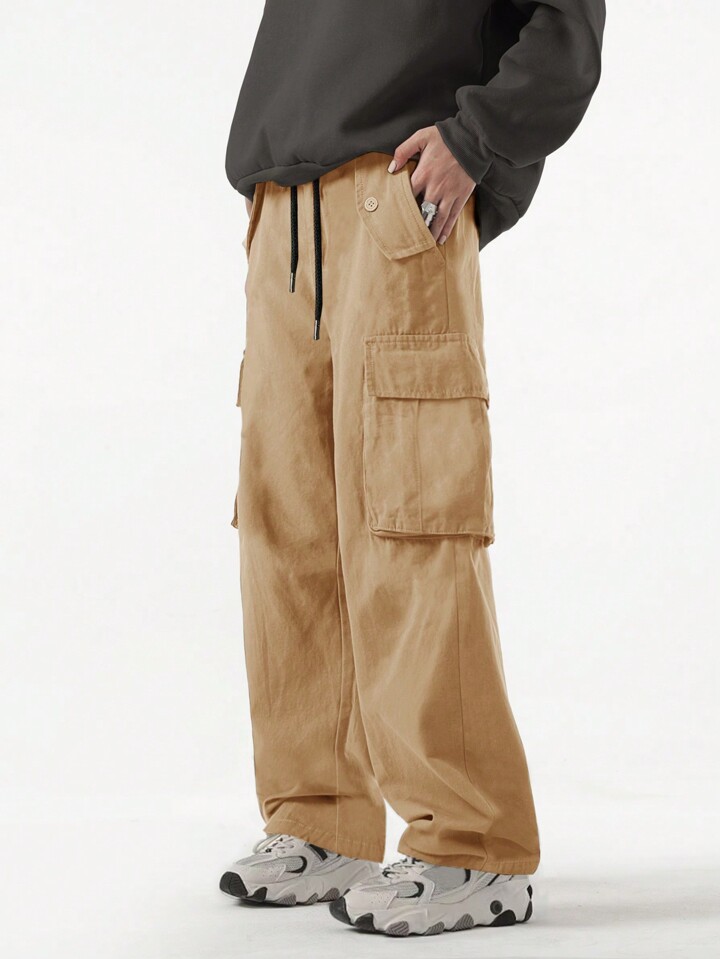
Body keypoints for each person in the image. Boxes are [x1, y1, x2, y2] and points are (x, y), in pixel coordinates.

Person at [220, 0, 605, 938]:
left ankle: (474, 840)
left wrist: (476, 140)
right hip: (282, 206)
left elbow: (567, 27)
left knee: (411, 518)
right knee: (287, 529)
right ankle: (321, 818)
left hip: (398, 192)